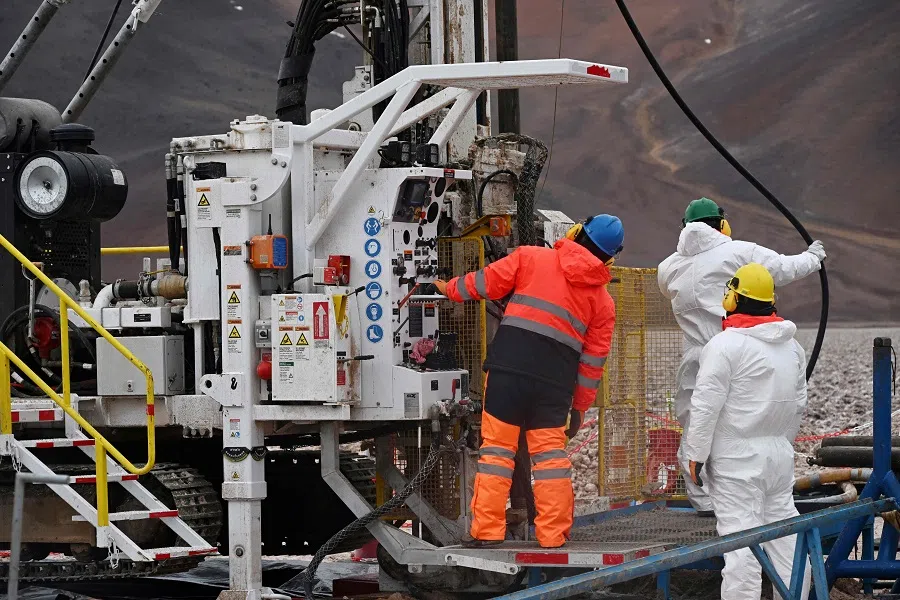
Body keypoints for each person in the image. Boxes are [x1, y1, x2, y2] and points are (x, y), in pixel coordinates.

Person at [433, 214, 623, 548]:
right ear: (609, 258)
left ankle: (487, 532)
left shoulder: (530, 257)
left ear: (577, 232)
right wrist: (578, 408)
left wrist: (447, 288)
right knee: (550, 461)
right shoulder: (604, 303)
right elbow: (592, 365)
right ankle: (552, 536)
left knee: (495, 454)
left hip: (507, 374)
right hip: (554, 388)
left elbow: (482, 284)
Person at [657, 197, 825, 513]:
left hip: (695, 358)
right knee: (749, 425)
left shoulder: (668, 267)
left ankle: (705, 500)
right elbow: (782, 269)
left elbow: (670, 287)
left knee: (697, 424)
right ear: (721, 223)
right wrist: (812, 257)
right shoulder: (738, 253)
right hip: (740, 351)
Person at [682, 263, 811, 600]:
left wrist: (695, 456)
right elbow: (798, 404)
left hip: (737, 462)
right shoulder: (792, 347)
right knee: (786, 537)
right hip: (778, 458)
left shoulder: (725, 346)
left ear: (735, 298)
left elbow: (706, 406)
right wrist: (783, 443)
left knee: (742, 549)